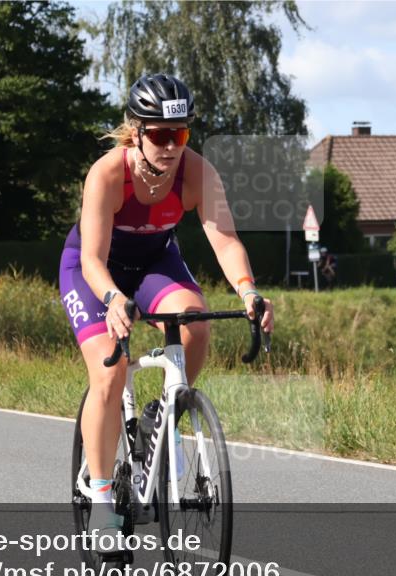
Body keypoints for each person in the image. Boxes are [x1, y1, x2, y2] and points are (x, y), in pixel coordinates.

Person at [59, 73, 274, 545]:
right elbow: (93, 259)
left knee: (195, 323)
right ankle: (100, 503)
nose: (171, 146)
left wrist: (248, 292)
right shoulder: (108, 174)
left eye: (180, 135)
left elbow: (225, 240)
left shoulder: (198, 173)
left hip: (155, 262)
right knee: (110, 376)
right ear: (137, 132)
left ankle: (165, 413)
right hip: (94, 270)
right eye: (160, 135)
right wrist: (114, 298)